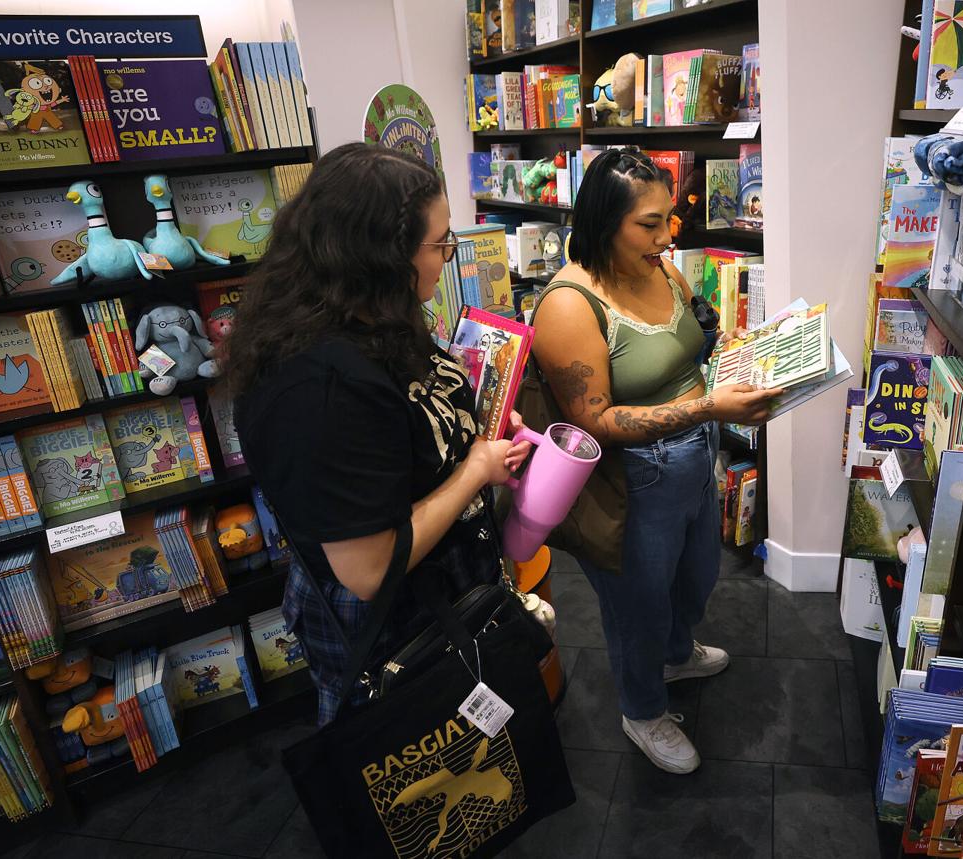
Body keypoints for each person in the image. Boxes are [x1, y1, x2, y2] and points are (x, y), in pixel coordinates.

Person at [227, 143, 530, 724]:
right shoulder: (317, 390)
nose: (447, 257)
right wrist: (475, 471)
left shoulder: (374, 313)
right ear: (383, 254)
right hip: (399, 635)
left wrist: (476, 425)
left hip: (451, 597)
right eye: (439, 244)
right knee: (428, 783)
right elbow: (368, 571)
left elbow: (412, 418)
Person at [531, 147, 781, 774]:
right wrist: (708, 410)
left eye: (670, 219)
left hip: (696, 461)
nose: (668, 237)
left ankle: (675, 653)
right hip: (634, 479)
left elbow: (699, 340)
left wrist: (759, 352)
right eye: (650, 224)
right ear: (603, 220)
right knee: (635, 607)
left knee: (695, 577)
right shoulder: (570, 304)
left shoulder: (662, 272)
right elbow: (597, 423)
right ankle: (642, 710)